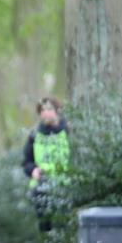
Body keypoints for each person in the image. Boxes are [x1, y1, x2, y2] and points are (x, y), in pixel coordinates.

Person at [22, 96, 69, 233]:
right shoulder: (34, 135)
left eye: (49, 109)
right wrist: (33, 170)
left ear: (57, 111)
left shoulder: (67, 131)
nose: (45, 113)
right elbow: (26, 162)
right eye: (42, 110)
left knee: (63, 228)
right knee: (45, 231)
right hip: (41, 188)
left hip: (65, 187)